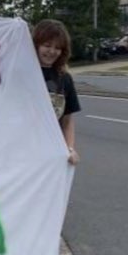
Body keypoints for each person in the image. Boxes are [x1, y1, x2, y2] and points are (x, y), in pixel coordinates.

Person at [32, 18, 80, 165]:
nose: (52, 51)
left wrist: (69, 149)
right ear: (36, 45)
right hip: (21, 151)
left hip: (50, 154)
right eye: (47, 45)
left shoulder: (64, 78)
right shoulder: (21, 73)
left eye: (58, 48)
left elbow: (67, 120)